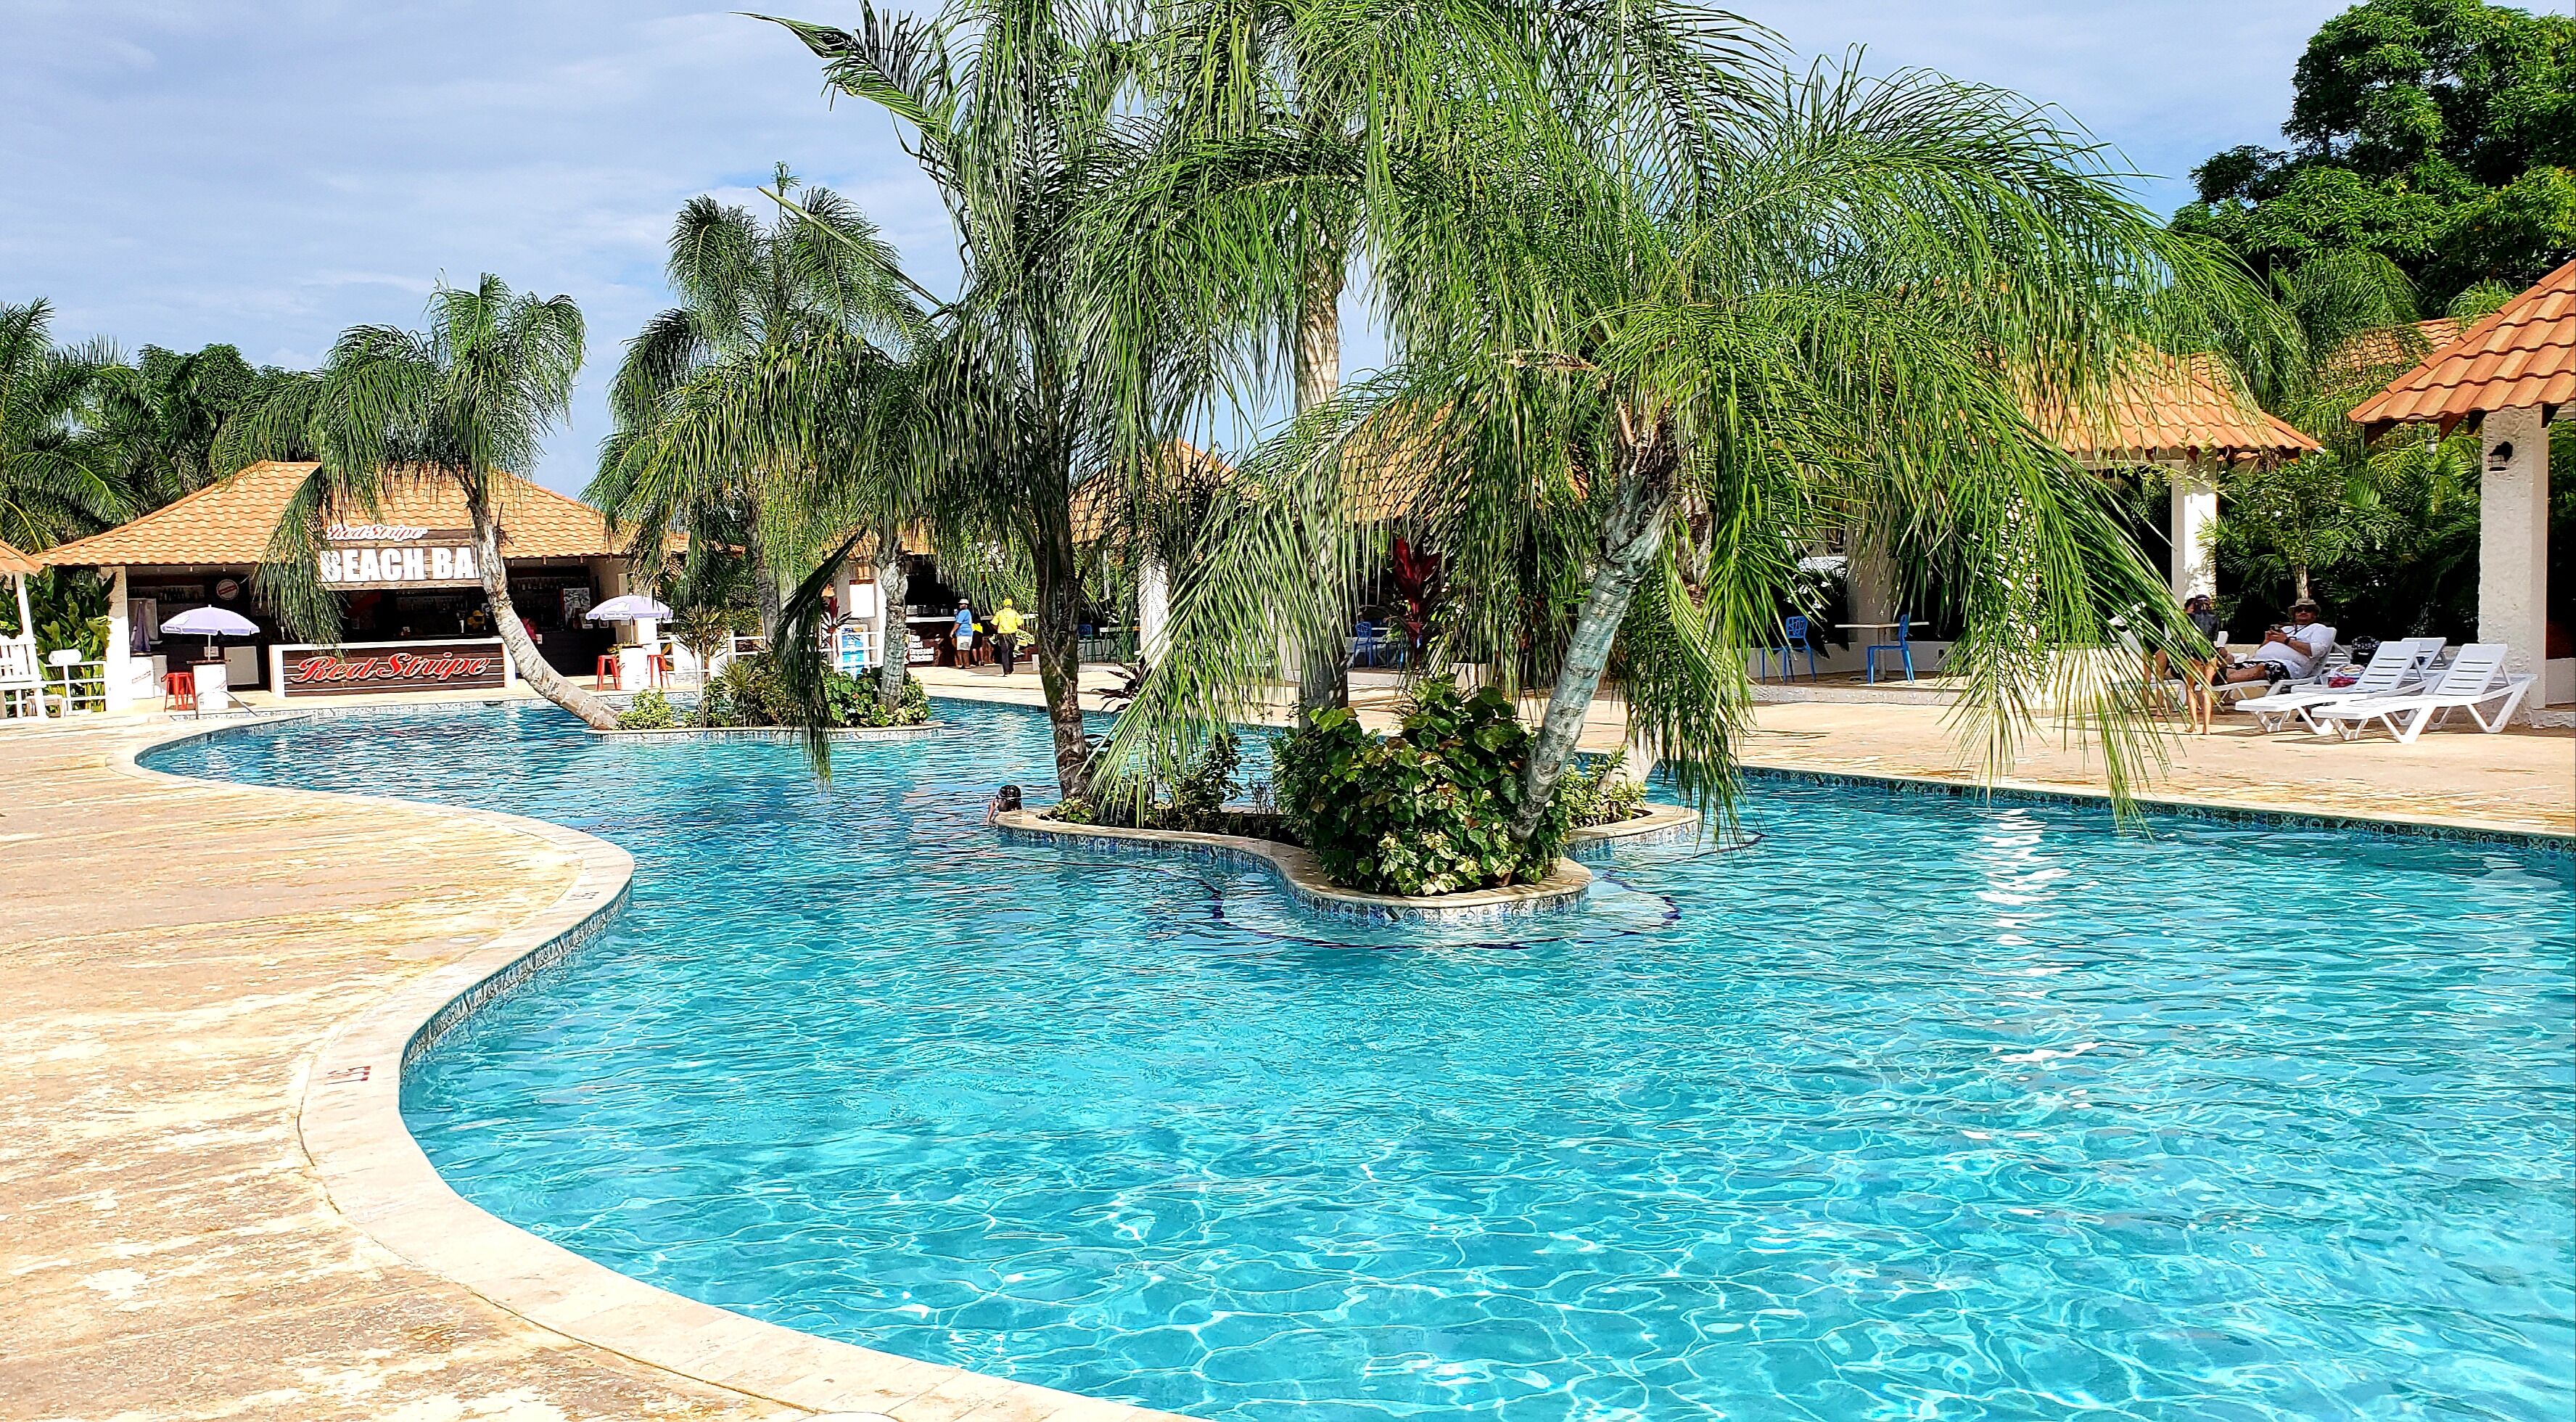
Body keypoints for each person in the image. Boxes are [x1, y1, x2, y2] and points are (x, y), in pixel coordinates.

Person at [2213, 598, 2336, 685]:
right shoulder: (2286, 629)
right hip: (2259, 661)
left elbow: (2316, 651)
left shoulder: (2319, 629)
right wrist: (2267, 640)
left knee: (2261, 669)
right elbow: (2261, 651)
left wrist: (2286, 640)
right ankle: (2216, 678)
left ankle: (2216, 680)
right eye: (2299, 610)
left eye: (2307, 610)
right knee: (2235, 667)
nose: (2303, 612)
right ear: (2294, 614)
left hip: (2289, 667)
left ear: (2314, 615)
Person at [991, 598, 1026, 675]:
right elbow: (1020, 624)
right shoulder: (1015, 613)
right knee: (1011, 651)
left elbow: (994, 623)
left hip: (1002, 634)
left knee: (1004, 652)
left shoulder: (999, 613)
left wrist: (998, 629)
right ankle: (1010, 668)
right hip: (1012, 634)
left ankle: (1006, 671)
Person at [952, 601, 976, 667]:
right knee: (962, 649)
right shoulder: (964, 612)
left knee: (964, 649)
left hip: (964, 633)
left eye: (962, 604)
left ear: (966, 605)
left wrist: (952, 631)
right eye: (960, 604)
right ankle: (964, 664)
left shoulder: (964, 612)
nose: (960, 605)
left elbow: (958, 623)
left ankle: (966, 664)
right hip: (963, 633)